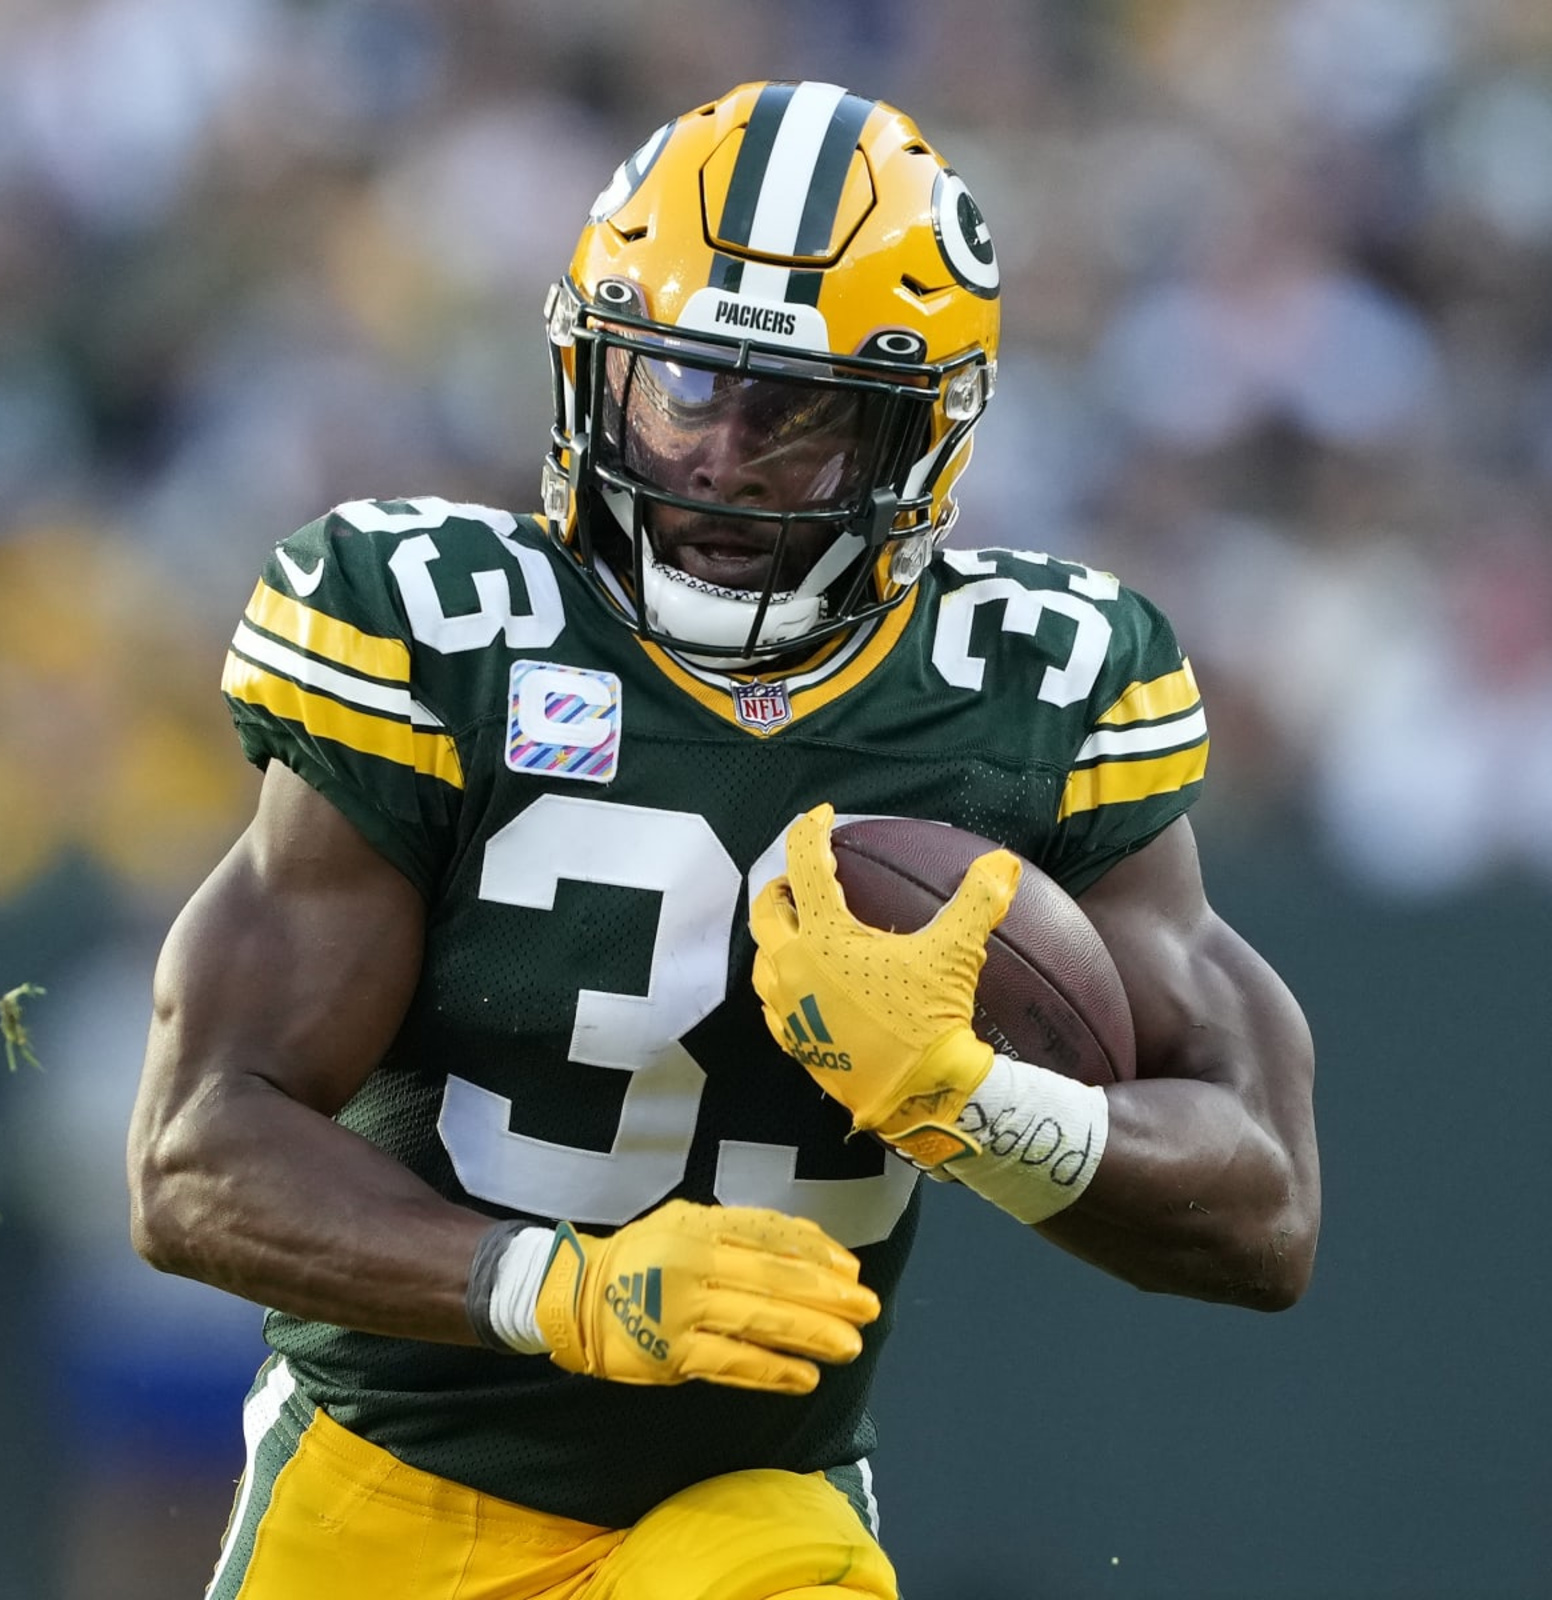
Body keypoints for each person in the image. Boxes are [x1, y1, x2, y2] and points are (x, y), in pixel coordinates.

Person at [128, 79, 1320, 1600]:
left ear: (917, 438)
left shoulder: (1036, 686)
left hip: (751, 1510)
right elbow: (194, 1152)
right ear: (590, 364)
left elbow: (1264, 1203)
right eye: (684, 389)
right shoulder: (435, 633)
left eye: (802, 415)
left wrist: (976, 1101)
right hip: (391, 1492)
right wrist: (566, 1293)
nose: (722, 457)